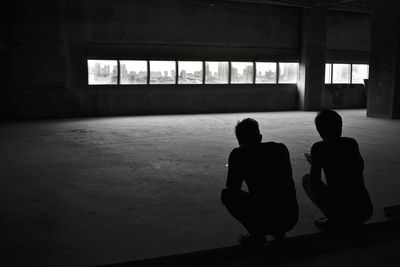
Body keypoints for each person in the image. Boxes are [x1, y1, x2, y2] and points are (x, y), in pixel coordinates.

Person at [221, 118, 298, 247]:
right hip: (290, 218)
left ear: (239, 140)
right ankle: (279, 232)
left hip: (263, 218)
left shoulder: (239, 154)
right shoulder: (280, 149)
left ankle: (257, 235)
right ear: (260, 137)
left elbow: (233, 187)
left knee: (228, 195)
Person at [303, 109, 373, 230]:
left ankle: (333, 219)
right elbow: (359, 167)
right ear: (340, 127)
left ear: (320, 131)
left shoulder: (319, 148)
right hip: (365, 211)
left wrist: (315, 163)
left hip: (340, 214)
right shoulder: (351, 143)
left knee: (307, 180)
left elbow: (315, 182)